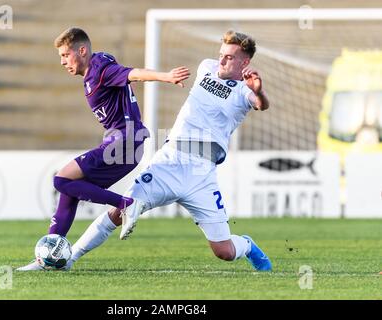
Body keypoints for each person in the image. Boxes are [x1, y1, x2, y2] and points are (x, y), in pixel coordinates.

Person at [65, 30, 272, 272]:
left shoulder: (244, 91)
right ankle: (69, 259)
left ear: (244, 62)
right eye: (221, 54)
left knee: (224, 252)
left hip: (202, 173)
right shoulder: (207, 67)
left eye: (229, 57)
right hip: (171, 160)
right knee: (120, 211)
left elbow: (260, 104)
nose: (222, 60)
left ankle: (247, 245)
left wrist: (258, 91)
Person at [17, 27, 189, 271]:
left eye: (66, 55)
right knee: (69, 189)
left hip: (124, 141)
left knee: (61, 179)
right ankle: (48, 259)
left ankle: (125, 204)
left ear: (82, 50)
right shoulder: (99, 62)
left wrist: (166, 76)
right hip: (128, 144)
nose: (63, 62)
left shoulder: (101, 71)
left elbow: (133, 74)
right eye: (61, 57)